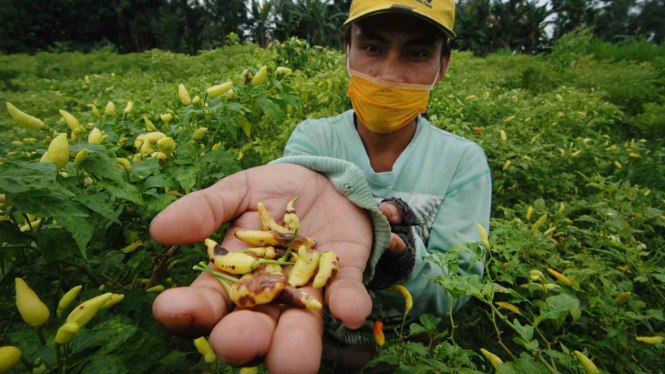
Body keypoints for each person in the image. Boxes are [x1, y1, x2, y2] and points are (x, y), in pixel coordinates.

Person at [150, 0, 492, 373]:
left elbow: (459, 287)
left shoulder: (462, 161)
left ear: (442, 65)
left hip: (409, 353)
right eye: (372, 48)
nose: (390, 74)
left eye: (417, 53)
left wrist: (398, 256)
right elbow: (289, 212)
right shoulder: (313, 138)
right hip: (319, 339)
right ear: (346, 50)